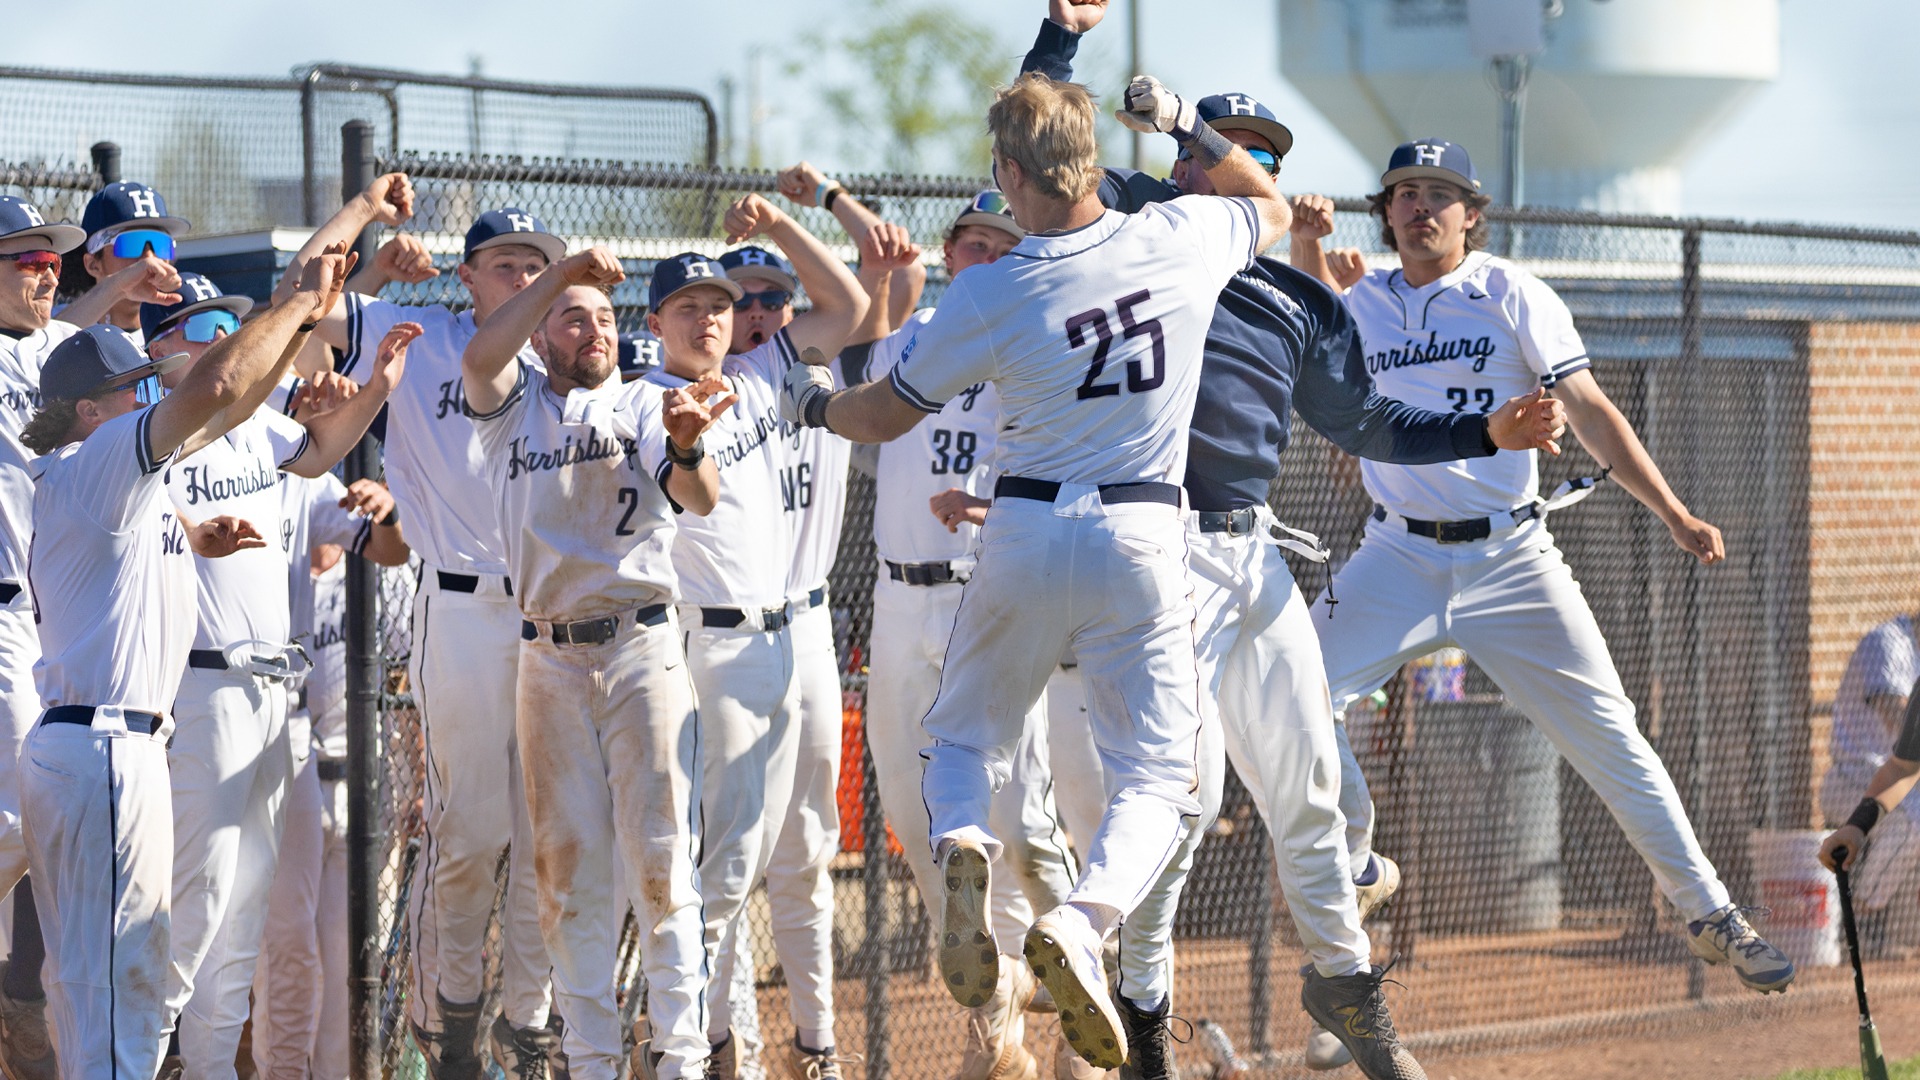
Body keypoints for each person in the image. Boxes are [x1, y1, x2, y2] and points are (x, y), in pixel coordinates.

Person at [779, 69, 1289, 1070]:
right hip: (1141, 537)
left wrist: (809, 406)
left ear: (1009, 173)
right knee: (1159, 774)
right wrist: (1182, 121)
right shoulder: (1180, 236)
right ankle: (1085, 921)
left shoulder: (994, 286)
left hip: (1018, 529)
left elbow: (882, 415)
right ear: (1094, 158)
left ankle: (963, 838)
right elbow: (1263, 202)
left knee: (964, 737)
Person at [1292, 138, 1795, 996]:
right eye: (1405, 193)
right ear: (1386, 213)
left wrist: (1671, 511)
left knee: (1609, 734)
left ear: (1471, 215)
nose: (1420, 207)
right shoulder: (1362, 299)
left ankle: (1707, 909)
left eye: (1440, 194)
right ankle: (1360, 866)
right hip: (1396, 554)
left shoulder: (1510, 292)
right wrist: (1306, 251)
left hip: (1512, 560)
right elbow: (1304, 335)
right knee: (1289, 698)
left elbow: (1590, 410)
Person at [16, 245, 350, 1078]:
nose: (151, 392)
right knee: (122, 993)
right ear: (91, 411)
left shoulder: (105, 478)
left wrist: (198, 536)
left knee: (93, 987)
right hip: (104, 752)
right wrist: (292, 308)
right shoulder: (96, 458)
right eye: (135, 385)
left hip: (90, 747)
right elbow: (220, 387)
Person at [291, 174, 560, 1075]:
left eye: (536, 265)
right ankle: (442, 1012)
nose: (523, 278)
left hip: (552, 617)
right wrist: (366, 222)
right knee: (471, 827)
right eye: (504, 265)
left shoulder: (567, 361)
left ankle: (529, 1019)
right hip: (460, 607)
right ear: (469, 280)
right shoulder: (432, 338)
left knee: (543, 832)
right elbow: (303, 299)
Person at [831, 187, 1085, 1080]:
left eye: (998, 243)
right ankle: (1002, 1005)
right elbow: (842, 369)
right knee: (910, 815)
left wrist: (993, 507)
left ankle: (1027, 1027)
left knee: (1013, 820)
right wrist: (868, 259)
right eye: (968, 242)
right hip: (902, 602)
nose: (980, 255)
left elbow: (1078, 469)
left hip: (995, 592)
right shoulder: (908, 341)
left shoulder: (1042, 341)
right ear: (948, 256)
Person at [463, 247, 733, 1080]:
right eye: (574, 317)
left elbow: (699, 497)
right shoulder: (510, 408)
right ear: (540, 330)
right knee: (566, 872)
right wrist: (558, 275)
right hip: (547, 660)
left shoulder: (647, 402)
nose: (595, 330)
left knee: (660, 863)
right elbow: (480, 356)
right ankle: (590, 1060)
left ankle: (681, 1057)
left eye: (607, 318)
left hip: (640, 647)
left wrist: (687, 449)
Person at [140, 273, 413, 1078]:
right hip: (201, 687)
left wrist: (375, 392)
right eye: (203, 326)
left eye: (230, 321)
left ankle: (214, 1068)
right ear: (158, 350)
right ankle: (145, 1063)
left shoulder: (260, 431)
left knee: (241, 921)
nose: (227, 336)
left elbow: (331, 461)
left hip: (275, 699)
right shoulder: (151, 434)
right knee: (194, 911)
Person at [634, 192, 866, 1078]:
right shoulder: (645, 396)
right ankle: (700, 1053)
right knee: (724, 870)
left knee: (802, 848)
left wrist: (779, 231)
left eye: (720, 307)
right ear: (656, 322)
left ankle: (809, 1053)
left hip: (785, 640)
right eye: (689, 308)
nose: (710, 320)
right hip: (712, 647)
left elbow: (843, 305)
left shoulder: (766, 371)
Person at [252, 447, 410, 1079]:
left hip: (367, 786)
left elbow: (404, 675)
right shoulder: (269, 571)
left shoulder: (377, 569)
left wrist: (417, 777)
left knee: (355, 968)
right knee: (288, 956)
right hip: (291, 780)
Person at [0, 195, 89, 1080]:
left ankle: (33, 1011)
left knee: (51, 825)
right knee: (27, 815)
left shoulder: (53, 355)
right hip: (0, 617)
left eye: (50, 257)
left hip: (49, 615)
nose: (46, 268)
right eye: (25, 258)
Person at [1816, 620, 1920, 950]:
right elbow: (1900, 735)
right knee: (1910, 822)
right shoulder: (1888, 643)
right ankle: (1861, 925)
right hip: (1853, 775)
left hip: (1897, 779)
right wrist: (1859, 826)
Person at [58, 180, 190, 344]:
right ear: (93, 264)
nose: (149, 259)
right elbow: (48, 347)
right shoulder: (60, 323)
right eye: (131, 244)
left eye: (161, 244)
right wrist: (118, 289)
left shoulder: (182, 328)